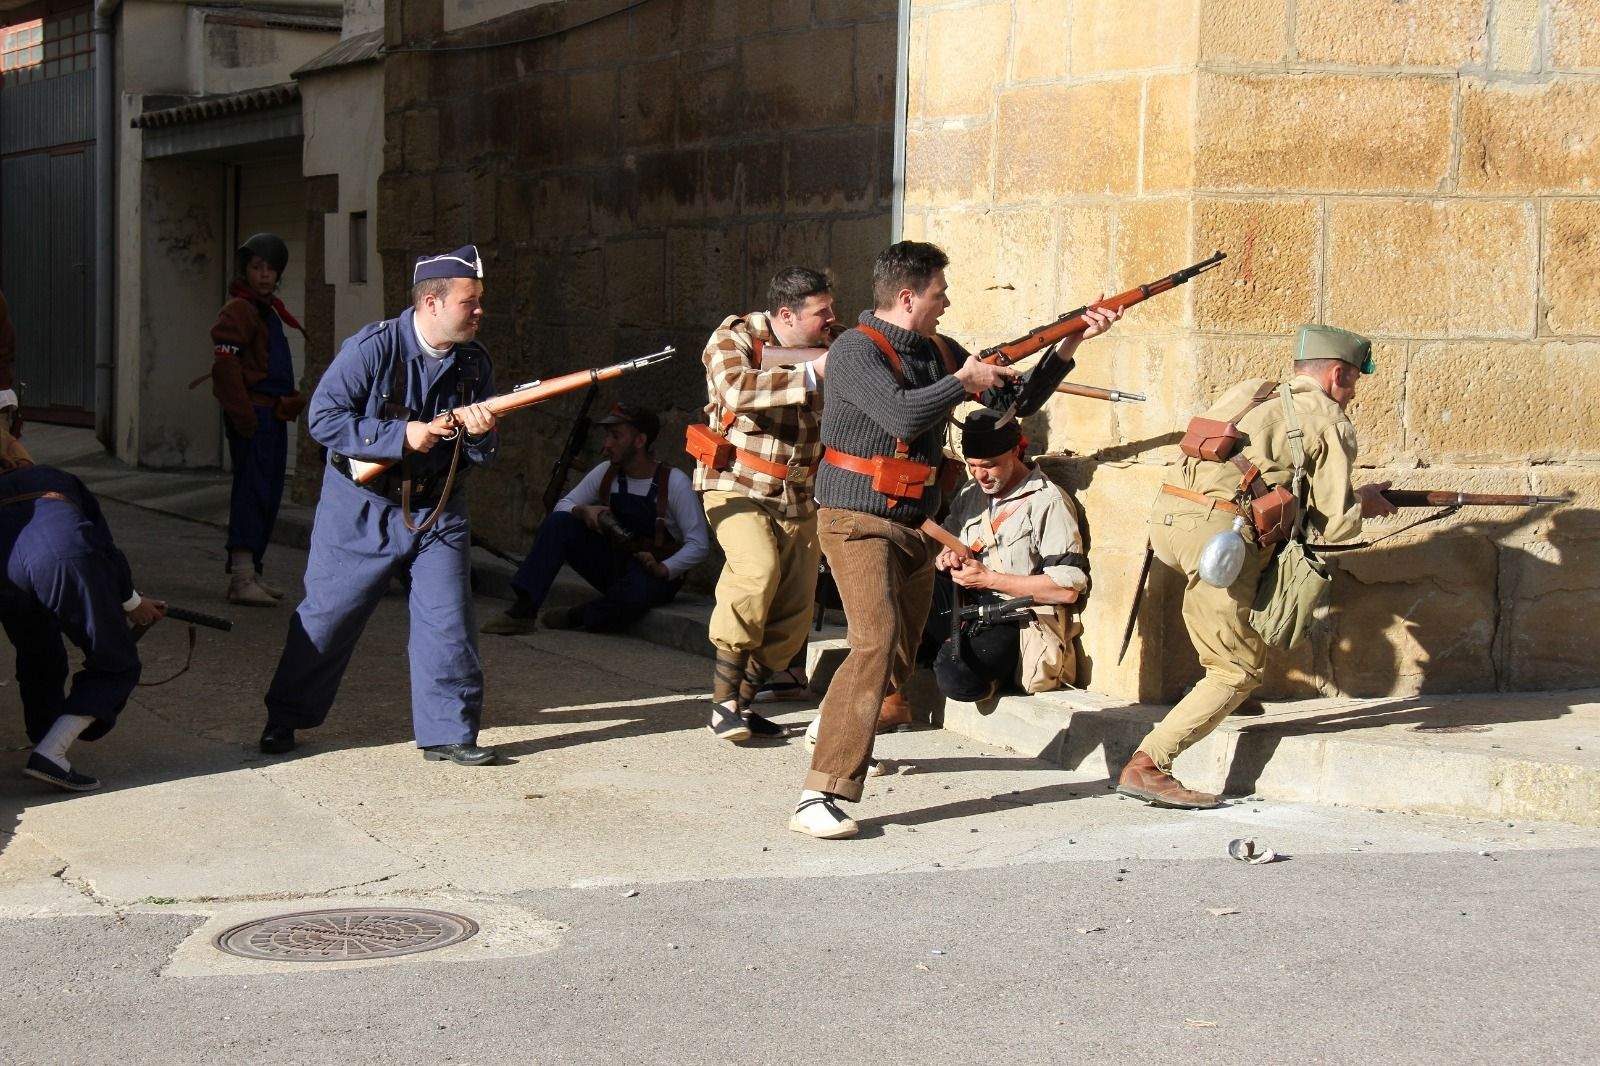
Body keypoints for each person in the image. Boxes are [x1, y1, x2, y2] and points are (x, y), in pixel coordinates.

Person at [1117, 324, 1398, 809]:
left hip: (1170, 522)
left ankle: (1215, 694)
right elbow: (1335, 526)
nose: (1353, 394)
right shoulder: (1328, 419)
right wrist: (1364, 505)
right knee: (1236, 668)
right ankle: (1149, 764)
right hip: (1220, 541)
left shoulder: (1253, 390)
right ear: (1337, 374)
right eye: (1353, 381)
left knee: (1233, 629)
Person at [259, 245, 500, 765]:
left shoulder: (474, 362)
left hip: (438, 509)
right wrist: (400, 436)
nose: (479, 310)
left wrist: (481, 434)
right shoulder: (372, 348)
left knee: (448, 622)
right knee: (328, 618)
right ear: (431, 303)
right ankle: (285, 717)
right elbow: (323, 419)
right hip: (361, 507)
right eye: (470, 301)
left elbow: (480, 452)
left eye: (479, 299)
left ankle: (449, 733)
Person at [691, 266, 837, 743]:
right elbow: (737, 389)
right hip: (735, 482)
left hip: (798, 493)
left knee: (794, 611)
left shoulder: (832, 344)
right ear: (786, 315)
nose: (831, 319)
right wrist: (812, 373)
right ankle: (721, 705)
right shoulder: (732, 339)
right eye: (821, 312)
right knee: (757, 572)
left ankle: (742, 703)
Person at [0, 429, 166, 791]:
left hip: (7, 577)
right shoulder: (54, 476)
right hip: (65, 561)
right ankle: (52, 751)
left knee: (38, 653)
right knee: (117, 660)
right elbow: (103, 547)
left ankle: (44, 736)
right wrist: (132, 603)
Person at [482, 404, 709, 635]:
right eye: (607, 436)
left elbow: (698, 544)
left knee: (636, 594)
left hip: (652, 572)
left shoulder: (674, 482)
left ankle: (576, 616)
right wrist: (583, 511)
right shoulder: (606, 472)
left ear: (640, 441)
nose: (607, 444)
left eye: (616, 436)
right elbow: (562, 506)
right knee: (559, 523)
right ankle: (523, 611)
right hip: (616, 563)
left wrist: (665, 568)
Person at [930, 409, 1103, 703]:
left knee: (958, 677)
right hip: (964, 602)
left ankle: (996, 674)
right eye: (972, 465)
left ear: (1015, 451)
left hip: (1014, 618)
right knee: (894, 606)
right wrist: (946, 557)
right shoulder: (971, 492)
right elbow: (946, 540)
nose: (980, 475)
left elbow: (1066, 589)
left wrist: (989, 579)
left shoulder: (1047, 501)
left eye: (990, 465)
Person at [209, 233, 307, 607]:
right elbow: (225, 367)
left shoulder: (267, 310)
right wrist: (244, 417)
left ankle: (253, 573)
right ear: (245, 271)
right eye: (256, 267)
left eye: (270, 269)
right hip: (254, 417)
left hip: (271, 416)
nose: (264, 275)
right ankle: (241, 577)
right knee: (251, 493)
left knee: (267, 493)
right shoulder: (239, 310)